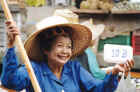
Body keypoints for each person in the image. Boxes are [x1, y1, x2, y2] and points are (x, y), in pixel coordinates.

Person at [1, 16, 134, 92]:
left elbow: (99, 88)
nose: (65, 51)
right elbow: (10, 82)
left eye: (69, 47)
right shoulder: (34, 69)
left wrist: (115, 72)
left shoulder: (74, 69)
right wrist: (11, 46)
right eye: (60, 46)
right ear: (46, 50)